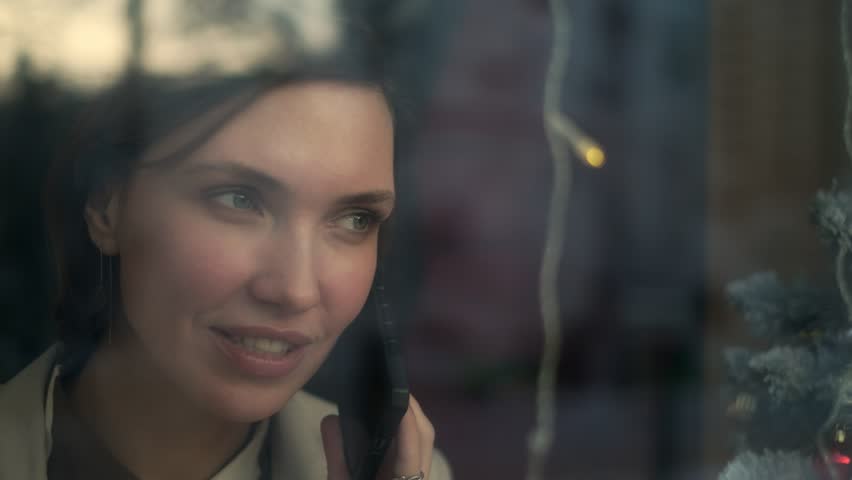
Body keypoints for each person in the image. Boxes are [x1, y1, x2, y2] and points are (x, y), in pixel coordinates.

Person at [0, 59, 451, 479]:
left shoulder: (409, 472)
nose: (295, 290)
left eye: (356, 219)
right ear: (105, 206)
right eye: (238, 199)